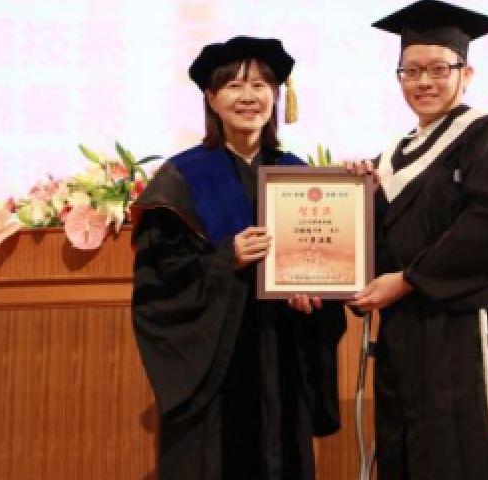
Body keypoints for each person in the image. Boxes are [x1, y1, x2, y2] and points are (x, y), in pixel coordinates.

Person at [130, 36, 346, 480]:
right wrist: (225, 259)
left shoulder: (299, 176)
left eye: (260, 85)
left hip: (283, 358)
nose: (249, 96)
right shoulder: (182, 179)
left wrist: (314, 295)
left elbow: (327, 267)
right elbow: (159, 283)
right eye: (234, 85)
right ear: (212, 99)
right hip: (218, 373)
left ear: (276, 96)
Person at [346, 1, 488, 479]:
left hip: (461, 331)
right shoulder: (393, 155)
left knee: (456, 453)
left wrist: (410, 280)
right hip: (402, 333)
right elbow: (384, 240)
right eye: (411, 71)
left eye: (439, 69)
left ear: (466, 73)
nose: (424, 82)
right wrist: (358, 196)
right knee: (404, 451)